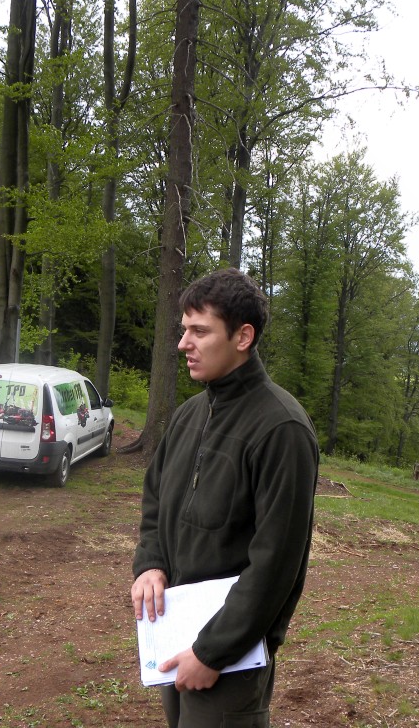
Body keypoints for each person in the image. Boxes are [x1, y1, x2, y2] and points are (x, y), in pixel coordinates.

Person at [131, 267, 319, 727]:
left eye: (200, 331)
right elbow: (156, 498)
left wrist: (212, 652)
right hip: (176, 633)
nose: (183, 344)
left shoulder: (281, 429)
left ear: (243, 337)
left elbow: (277, 563)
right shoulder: (189, 415)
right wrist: (150, 563)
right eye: (184, 330)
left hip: (231, 658)